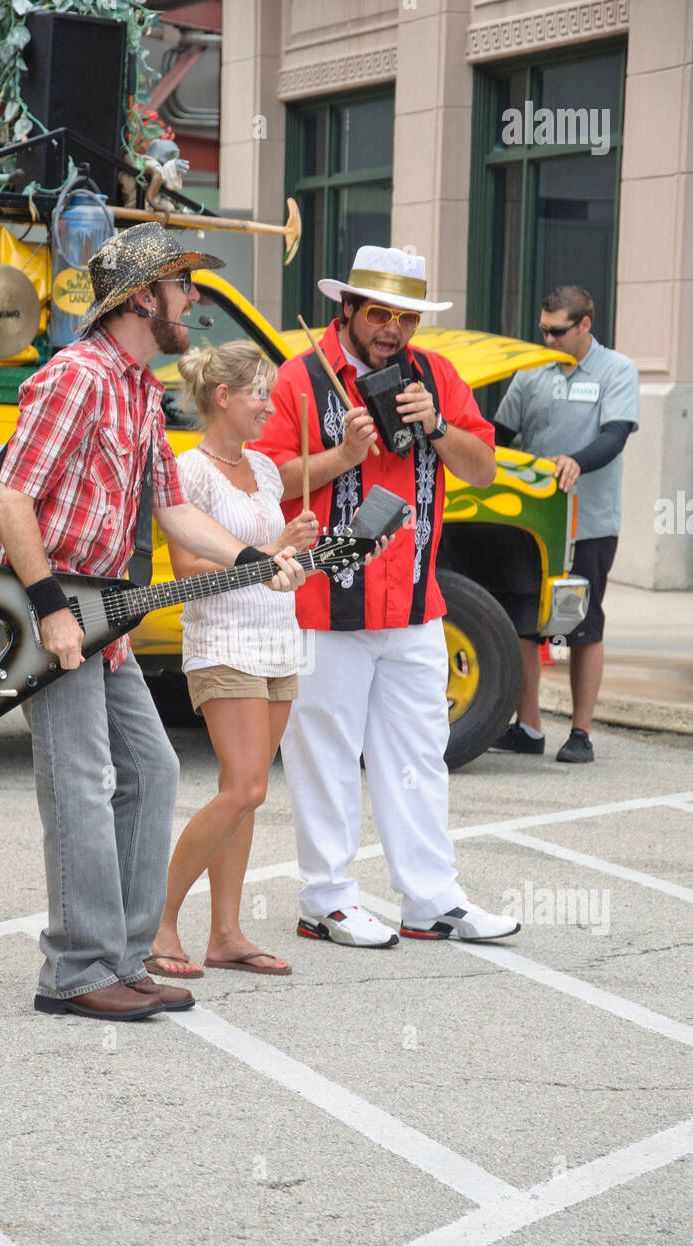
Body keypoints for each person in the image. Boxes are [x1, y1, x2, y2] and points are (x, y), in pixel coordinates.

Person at [0, 224, 306, 1022]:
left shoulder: (137, 386)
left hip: (103, 612)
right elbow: (11, 499)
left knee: (154, 773)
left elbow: (172, 512)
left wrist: (257, 558)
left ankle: (125, 958)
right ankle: (74, 970)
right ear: (139, 298)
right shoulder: (79, 377)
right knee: (81, 786)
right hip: (46, 606)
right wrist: (54, 612)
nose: (192, 301)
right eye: (181, 286)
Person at [255, 245, 521, 945]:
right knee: (326, 756)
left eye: (406, 317)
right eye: (379, 313)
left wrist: (435, 424)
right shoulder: (300, 377)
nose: (393, 330)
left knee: (417, 759)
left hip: (413, 604)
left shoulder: (436, 375)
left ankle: (430, 899)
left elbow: (485, 468)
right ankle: (326, 898)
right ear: (346, 309)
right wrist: (341, 456)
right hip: (323, 606)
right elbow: (267, 479)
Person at [145, 341, 319, 979]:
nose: (270, 409)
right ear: (223, 397)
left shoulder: (269, 472)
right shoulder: (191, 471)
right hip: (222, 643)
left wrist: (296, 557)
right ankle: (158, 925)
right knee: (245, 785)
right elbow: (188, 566)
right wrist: (272, 546)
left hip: (277, 638)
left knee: (244, 794)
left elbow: (273, 563)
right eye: (260, 396)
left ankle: (225, 933)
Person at [493, 286, 640, 763]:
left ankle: (581, 733)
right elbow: (500, 435)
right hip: (530, 524)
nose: (548, 339)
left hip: (588, 523)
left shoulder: (616, 370)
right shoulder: (531, 369)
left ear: (584, 325)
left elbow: (615, 435)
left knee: (583, 624)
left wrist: (576, 461)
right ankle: (529, 728)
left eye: (557, 331)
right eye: (543, 330)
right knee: (523, 623)